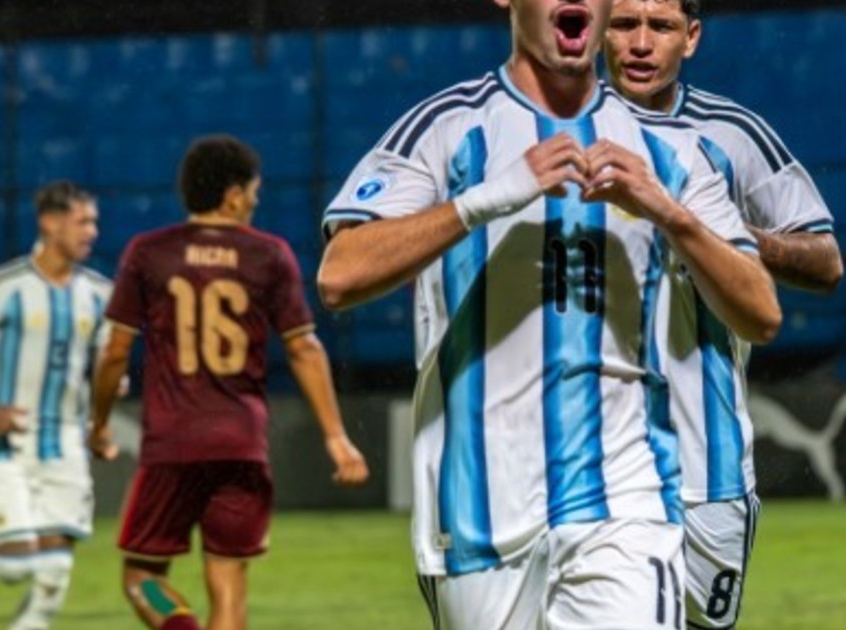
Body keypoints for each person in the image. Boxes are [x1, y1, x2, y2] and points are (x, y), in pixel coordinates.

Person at [317, 0, 781, 627]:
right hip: (476, 506)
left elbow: (760, 313)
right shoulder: (448, 128)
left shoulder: (665, 149)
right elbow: (339, 276)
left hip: (626, 496)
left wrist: (670, 214)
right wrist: (484, 200)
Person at [603, 1, 844, 627]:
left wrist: (727, 234)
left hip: (703, 460)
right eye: (624, 24)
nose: (640, 43)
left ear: (691, 38)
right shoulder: (557, 133)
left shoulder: (730, 134)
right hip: (589, 462)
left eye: (661, 27)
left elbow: (825, 261)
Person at [87, 135, 370, 630]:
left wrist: (100, 423)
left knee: (141, 577)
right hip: (241, 444)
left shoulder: (148, 253)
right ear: (234, 195)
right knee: (229, 587)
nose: (255, 202)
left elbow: (114, 353)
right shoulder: (269, 254)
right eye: (253, 193)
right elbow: (304, 348)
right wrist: (336, 436)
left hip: (172, 443)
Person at [0, 181, 107, 629]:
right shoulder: (1, 287)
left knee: (55, 571)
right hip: (7, 441)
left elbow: (106, 363)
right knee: (14, 564)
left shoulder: (100, 293)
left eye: (94, 222)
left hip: (66, 441)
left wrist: (103, 408)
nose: (92, 232)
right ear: (50, 222)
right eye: (82, 221)